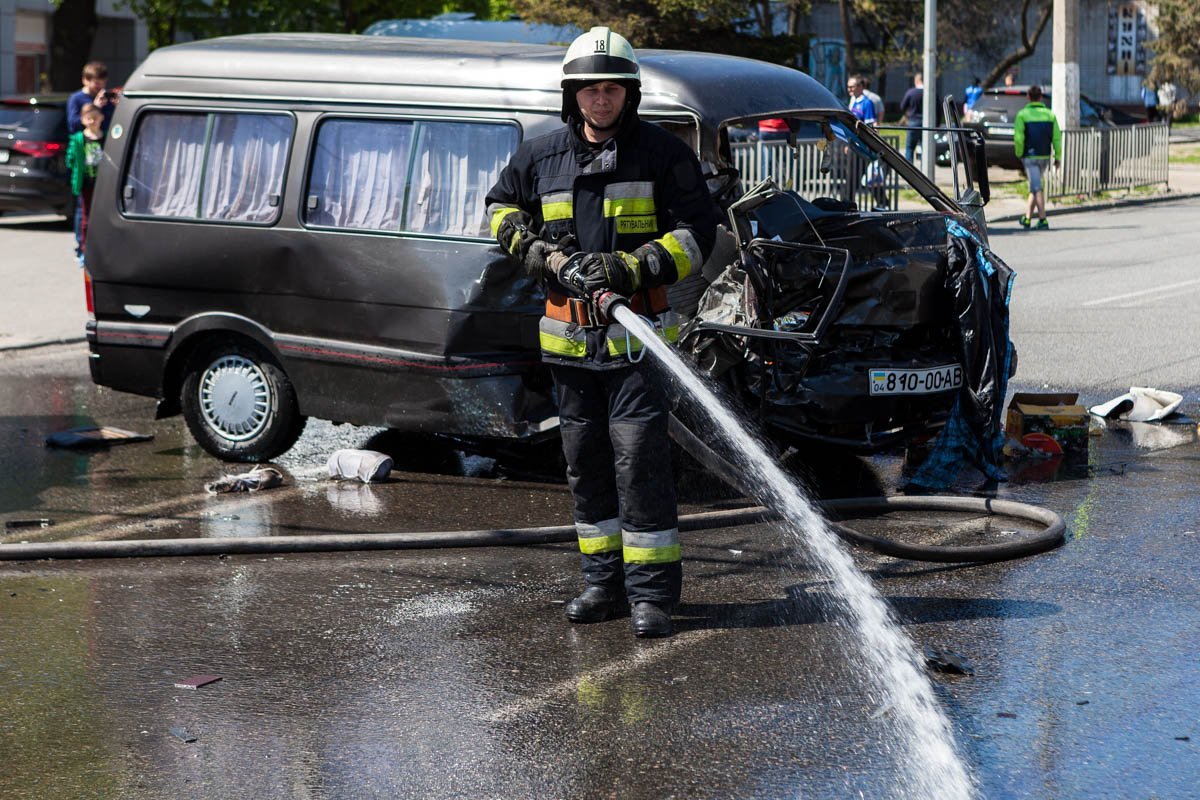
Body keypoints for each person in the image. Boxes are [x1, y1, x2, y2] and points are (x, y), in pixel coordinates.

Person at [484, 27, 718, 638]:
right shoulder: (539, 157)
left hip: (637, 343)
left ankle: (652, 596)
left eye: (611, 89)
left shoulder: (664, 156)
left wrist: (634, 266)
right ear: (573, 96)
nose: (601, 101)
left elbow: (699, 234)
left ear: (629, 93)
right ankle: (602, 584)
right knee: (584, 465)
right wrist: (540, 254)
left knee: (640, 462)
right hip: (567, 346)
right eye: (589, 90)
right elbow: (499, 211)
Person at [1013, 85, 1061, 230]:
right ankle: (1027, 218)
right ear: (1040, 97)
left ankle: (1043, 219)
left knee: (1036, 187)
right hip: (1045, 156)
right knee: (1035, 185)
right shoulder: (1050, 115)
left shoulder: (1022, 115)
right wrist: (1057, 157)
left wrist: (1019, 153)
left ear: (1028, 97)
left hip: (1030, 156)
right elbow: (1057, 138)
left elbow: (1019, 138)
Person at [66, 104, 105, 263]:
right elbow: (70, 158)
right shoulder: (79, 138)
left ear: (101, 118)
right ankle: (83, 249)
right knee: (86, 217)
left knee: (102, 217)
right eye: (89, 118)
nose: (92, 121)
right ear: (82, 120)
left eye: (95, 118)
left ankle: (100, 248)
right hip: (87, 183)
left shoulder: (105, 136)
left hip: (102, 184)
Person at [67, 61, 117, 134]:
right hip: (84, 142)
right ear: (85, 80)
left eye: (104, 83)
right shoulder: (76, 98)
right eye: (97, 83)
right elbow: (73, 125)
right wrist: (95, 108)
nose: (101, 86)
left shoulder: (106, 98)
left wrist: (117, 107)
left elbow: (111, 123)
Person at [899, 73, 924, 163]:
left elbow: (902, 107)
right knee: (925, 148)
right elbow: (938, 108)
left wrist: (908, 113)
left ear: (916, 80)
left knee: (909, 148)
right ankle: (924, 171)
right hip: (927, 124)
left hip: (913, 122)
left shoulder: (911, 92)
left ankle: (909, 171)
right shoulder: (931, 92)